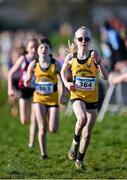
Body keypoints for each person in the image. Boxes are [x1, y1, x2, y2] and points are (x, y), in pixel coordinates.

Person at [61, 26, 108, 169]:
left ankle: (79, 160)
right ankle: (75, 142)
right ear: (76, 40)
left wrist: (99, 63)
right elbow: (62, 72)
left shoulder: (95, 55)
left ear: (90, 41)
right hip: (77, 95)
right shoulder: (71, 57)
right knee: (82, 119)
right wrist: (67, 83)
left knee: (87, 134)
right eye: (80, 38)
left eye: (86, 38)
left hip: (92, 97)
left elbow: (105, 77)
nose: (83, 41)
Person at [24, 38, 66, 159]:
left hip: (53, 99)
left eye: (46, 47)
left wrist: (63, 94)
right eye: (41, 47)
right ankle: (44, 154)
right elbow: (27, 76)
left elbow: (63, 80)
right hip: (39, 99)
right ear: (37, 50)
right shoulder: (34, 64)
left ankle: (50, 126)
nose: (43, 49)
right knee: (42, 127)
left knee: (53, 129)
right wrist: (27, 80)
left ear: (50, 50)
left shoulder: (55, 64)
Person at [8, 38, 38, 148]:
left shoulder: (40, 59)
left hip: (35, 90)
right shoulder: (23, 59)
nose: (34, 50)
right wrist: (10, 89)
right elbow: (10, 73)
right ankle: (28, 119)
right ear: (27, 49)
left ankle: (31, 142)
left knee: (34, 118)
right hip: (23, 89)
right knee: (24, 120)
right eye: (31, 48)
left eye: (35, 47)